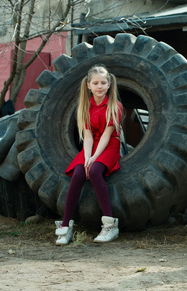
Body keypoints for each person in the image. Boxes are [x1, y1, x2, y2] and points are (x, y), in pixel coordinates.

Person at [55, 65, 123, 245]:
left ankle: (109, 225)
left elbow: (107, 135)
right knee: (78, 173)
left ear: (109, 85)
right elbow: (87, 136)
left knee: (93, 172)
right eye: (96, 83)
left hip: (109, 144)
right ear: (88, 85)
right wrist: (86, 158)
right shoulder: (85, 106)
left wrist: (93, 160)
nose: (100, 86)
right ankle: (65, 226)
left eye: (103, 82)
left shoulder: (114, 106)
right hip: (92, 145)